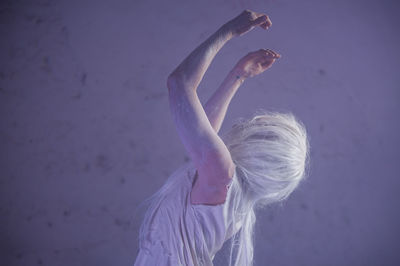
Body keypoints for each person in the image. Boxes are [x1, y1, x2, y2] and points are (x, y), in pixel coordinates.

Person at [134, 9, 310, 266]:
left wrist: (229, 31)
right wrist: (238, 76)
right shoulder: (228, 189)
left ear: (260, 145)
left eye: (260, 126)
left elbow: (179, 83)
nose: (248, 122)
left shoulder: (222, 174)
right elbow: (202, 131)